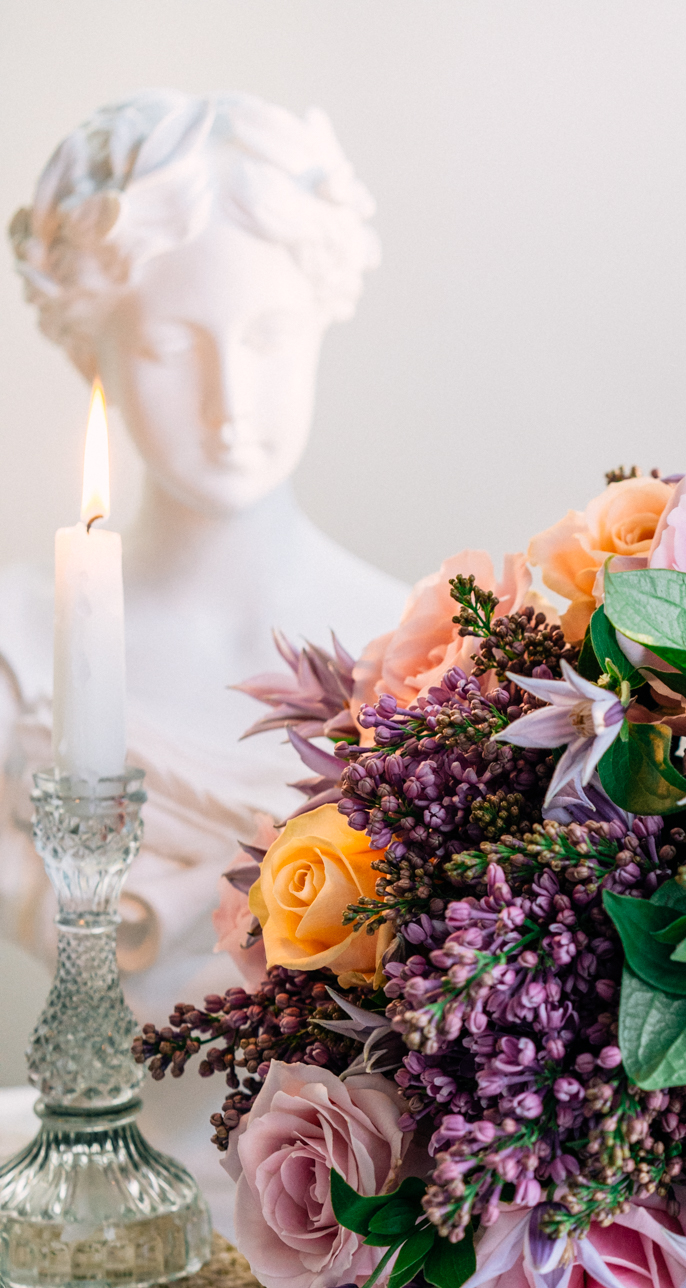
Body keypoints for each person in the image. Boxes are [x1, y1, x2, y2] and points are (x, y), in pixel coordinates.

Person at [0, 91, 407, 1205]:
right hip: (104, 1193)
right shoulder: (19, 647)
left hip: (351, 1217)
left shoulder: (421, 645)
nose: (234, 402)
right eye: (175, 347)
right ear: (95, 347)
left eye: (270, 337)